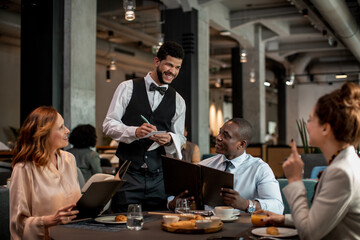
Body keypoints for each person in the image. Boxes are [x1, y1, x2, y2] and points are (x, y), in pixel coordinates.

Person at [257, 82, 360, 239]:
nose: (307, 125)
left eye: (311, 120)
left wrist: (295, 179)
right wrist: (284, 218)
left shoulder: (341, 172)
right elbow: (321, 218)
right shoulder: (346, 162)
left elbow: (309, 233)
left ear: (325, 128)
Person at [103, 41, 186, 212]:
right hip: (128, 175)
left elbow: (181, 138)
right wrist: (134, 132)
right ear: (157, 62)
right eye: (169, 65)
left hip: (159, 178)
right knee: (123, 225)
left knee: (157, 227)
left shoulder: (178, 100)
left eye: (177, 67)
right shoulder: (127, 88)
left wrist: (170, 139)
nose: (173, 71)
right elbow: (108, 125)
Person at [169, 118, 284, 214]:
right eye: (220, 132)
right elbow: (173, 198)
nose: (218, 137)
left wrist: (246, 204)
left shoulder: (259, 169)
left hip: (242, 230)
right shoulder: (203, 166)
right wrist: (173, 203)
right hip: (208, 227)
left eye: (226, 135)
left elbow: (278, 207)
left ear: (241, 144)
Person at [10, 106, 81, 239]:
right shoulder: (24, 169)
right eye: (61, 127)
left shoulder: (69, 159)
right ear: (44, 133)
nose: (67, 131)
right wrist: (49, 221)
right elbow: (18, 225)